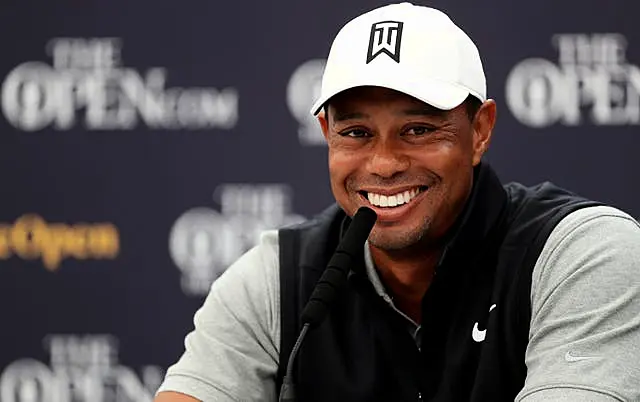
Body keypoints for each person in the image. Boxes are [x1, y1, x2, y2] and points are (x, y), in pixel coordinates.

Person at [154, 2, 640, 401]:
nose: (384, 163)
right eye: (357, 133)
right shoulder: (278, 277)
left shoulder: (582, 254)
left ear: (480, 131)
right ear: (326, 134)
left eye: (419, 130)